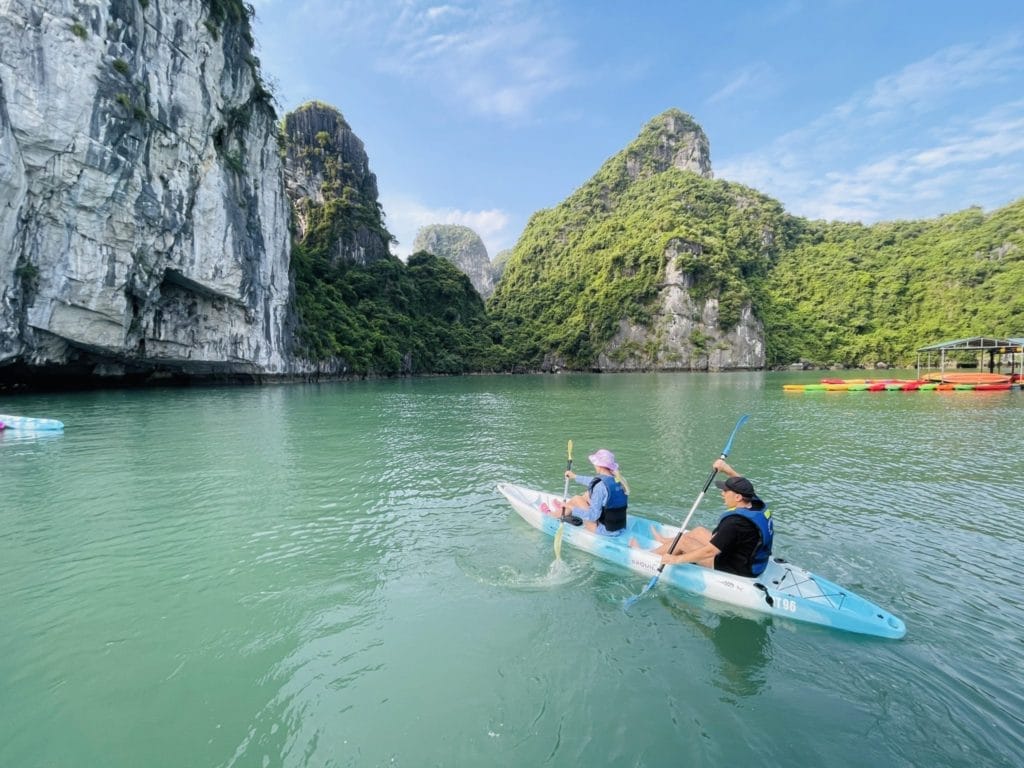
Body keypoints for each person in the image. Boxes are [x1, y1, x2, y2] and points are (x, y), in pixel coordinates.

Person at [632, 459, 773, 576]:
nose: (722, 494)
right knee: (699, 531)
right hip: (747, 557)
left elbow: (710, 551)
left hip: (737, 567)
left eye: (725, 491)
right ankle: (664, 542)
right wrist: (726, 469)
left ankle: (646, 556)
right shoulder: (755, 504)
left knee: (683, 542)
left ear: (737, 497)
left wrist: (676, 559)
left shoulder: (734, 523)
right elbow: (745, 485)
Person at [543, 448, 629, 536]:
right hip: (620, 527)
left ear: (599, 465)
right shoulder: (620, 480)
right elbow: (594, 481)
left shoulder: (600, 487)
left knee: (577, 499)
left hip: (603, 531)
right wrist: (574, 476)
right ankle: (564, 510)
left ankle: (555, 514)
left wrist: (572, 507)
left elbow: (593, 516)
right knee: (587, 494)